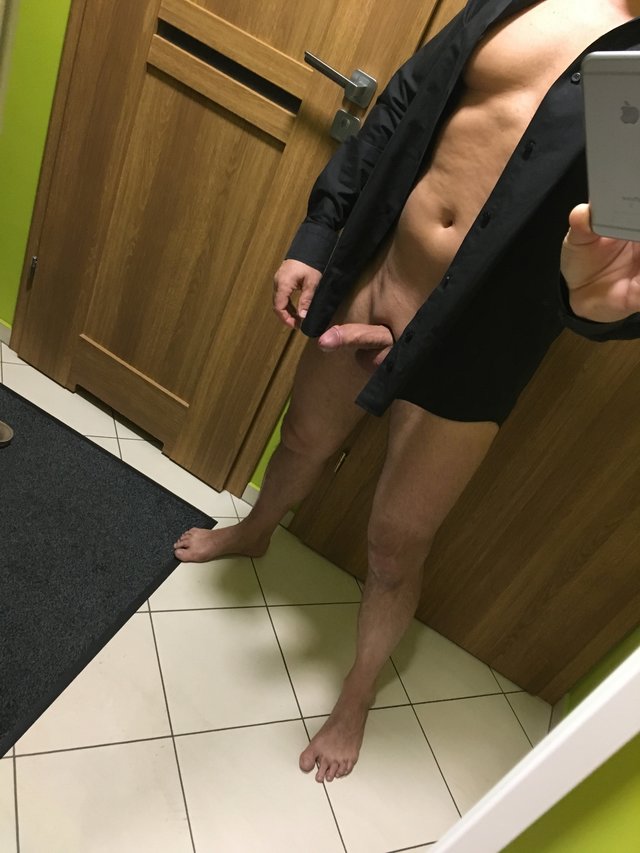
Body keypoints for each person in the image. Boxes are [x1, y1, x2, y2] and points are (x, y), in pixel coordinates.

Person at [175, 0, 640, 783]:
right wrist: (318, 234)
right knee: (302, 439)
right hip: (382, 279)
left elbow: (621, 275)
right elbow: (401, 103)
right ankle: (254, 530)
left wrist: (599, 309)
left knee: (396, 545)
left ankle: (355, 695)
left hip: (478, 344)